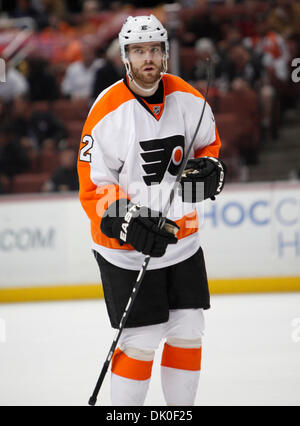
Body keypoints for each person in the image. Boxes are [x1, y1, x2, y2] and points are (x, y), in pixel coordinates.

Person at [78, 15, 226, 406]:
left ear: (166, 53)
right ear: (125, 57)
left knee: (188, 330)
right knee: (140, 339)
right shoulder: (106, 111)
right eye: (138, 50)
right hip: (126, 252)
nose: (148, 57)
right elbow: (94, 187)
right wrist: (126, 221)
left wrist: (209, 174)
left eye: (154, 49)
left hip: (182, 241)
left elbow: (207, 152)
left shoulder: (190, 99)